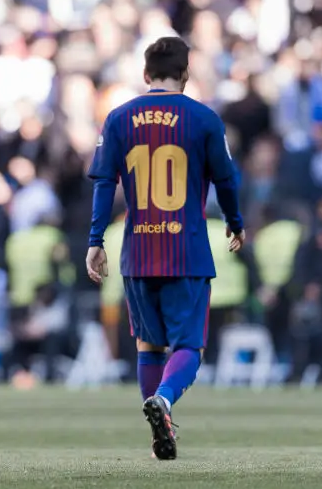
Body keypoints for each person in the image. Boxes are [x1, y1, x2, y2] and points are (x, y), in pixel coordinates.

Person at [85, 36, 245, 461]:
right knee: (189, 347)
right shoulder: (204, 119)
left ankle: (160, 433)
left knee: (147, 347)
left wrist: (95, 240)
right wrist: (235, 221)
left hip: (137, 250)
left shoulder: (119, 118)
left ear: (145, 75)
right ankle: (166, 400)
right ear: (186, 74)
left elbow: (105, 184)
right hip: (185, 248)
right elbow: (226, 181)